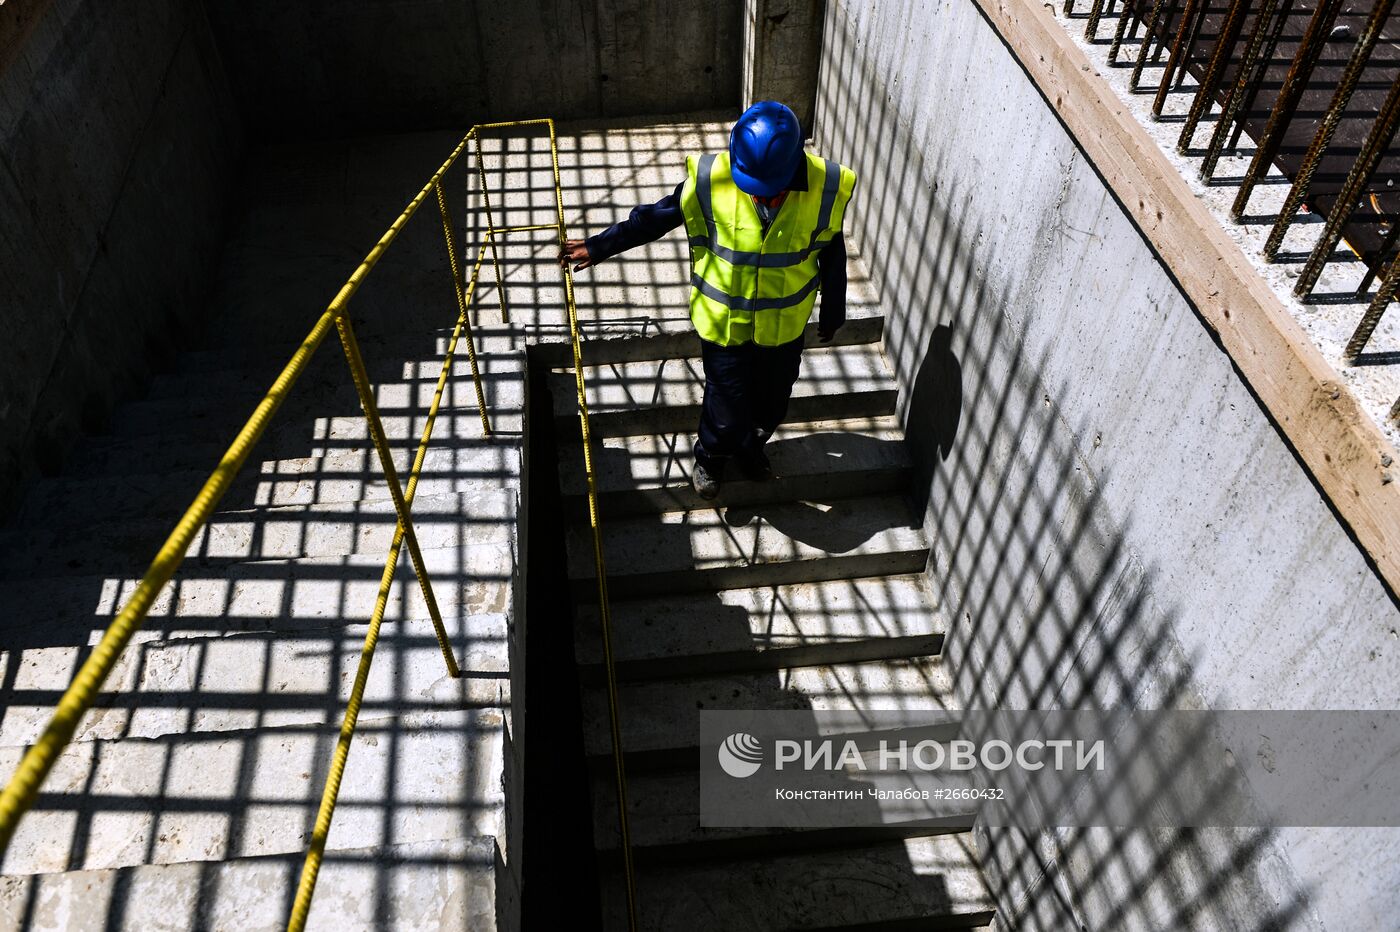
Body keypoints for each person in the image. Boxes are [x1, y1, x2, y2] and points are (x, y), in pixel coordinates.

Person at [560, 101, 857, 500]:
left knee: (772, 403)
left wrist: (833, 310)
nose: (766, 199)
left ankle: (752, 448)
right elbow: (655, 217)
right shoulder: (712, 180)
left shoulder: (825, 190)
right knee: (727, 406)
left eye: (773, 191)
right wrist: (599, 246)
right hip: (723, 324)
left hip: (784, 327)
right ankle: (711, 458)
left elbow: (832, 255)